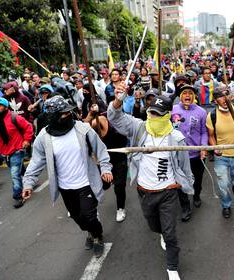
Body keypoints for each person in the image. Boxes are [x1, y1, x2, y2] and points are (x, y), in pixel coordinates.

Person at [108, 87, 194, 280]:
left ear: (167, 116)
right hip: (145, 192)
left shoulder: (177, 139)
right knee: (155, 227)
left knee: (170, 234)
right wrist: (117, 101)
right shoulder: (139, 128)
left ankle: (172, 267)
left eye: (158, 114)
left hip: (168, 192)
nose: (153, 117)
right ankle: (161, 232)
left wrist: (186, 184)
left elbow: (183, 166)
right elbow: (115, 117)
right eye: (151, 113)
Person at [22, 95, 113, 257]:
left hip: (86, 183)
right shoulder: (44, 137)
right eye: (63, 113)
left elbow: (101, 150)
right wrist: (28, 184)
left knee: (90, 216)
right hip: (65, 187)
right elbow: (36, 162)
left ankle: (97, 235)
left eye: (68, 112)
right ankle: (90, 232)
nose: (68, 115)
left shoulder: (82, 129)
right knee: (78, 218)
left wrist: (106, 169)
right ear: (53, 116)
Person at [206, 87, 234, 218]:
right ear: (215, 100)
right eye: (220, 96)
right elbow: (211, 135)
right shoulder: (212, 116)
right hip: (222, 157)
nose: (224, 98)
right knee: (223, 185)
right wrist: (215, 147)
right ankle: (226, 205)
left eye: (226, 95)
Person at [85, 105, 128, 222]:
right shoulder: (100, 121)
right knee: (103, 185)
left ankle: (120, 208)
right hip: (104, 160)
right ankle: (87, 208)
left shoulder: (125, 121)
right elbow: (83, 128)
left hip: (120, 158)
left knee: (119, 185)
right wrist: (90, 116)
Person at [172, 85, 208, 215]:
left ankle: (197, 195)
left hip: (196, 155)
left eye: (190, 93)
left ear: (194, 96)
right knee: (180, 181)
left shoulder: (201, 112)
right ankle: (185, 206)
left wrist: (203, 147)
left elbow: (204, 132)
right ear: (180, 96)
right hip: (178, 154)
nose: (187, 95)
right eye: (185, 93)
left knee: (197, 180)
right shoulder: (173, 110)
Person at [0, 97, 33, 208]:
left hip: (17, 149)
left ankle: (18, 196)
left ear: (6, 107)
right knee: (19, 169)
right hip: (4, 152)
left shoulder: (14, 117)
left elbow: (28, 127)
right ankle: (30, 180)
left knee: (15, 174)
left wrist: (26, 140)